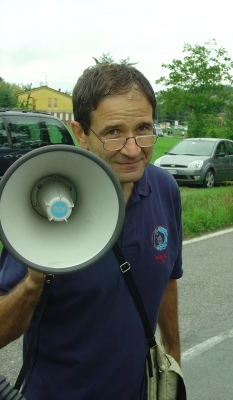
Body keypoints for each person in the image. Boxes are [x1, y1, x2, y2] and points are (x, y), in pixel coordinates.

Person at [0, 64, 183, 400]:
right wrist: (31, 285)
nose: (132, 149)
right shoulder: (43, 206)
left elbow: (169, 277)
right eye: (113, 132)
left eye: (143, 128)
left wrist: (173, 357)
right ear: (81, 134)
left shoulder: (166, 189)